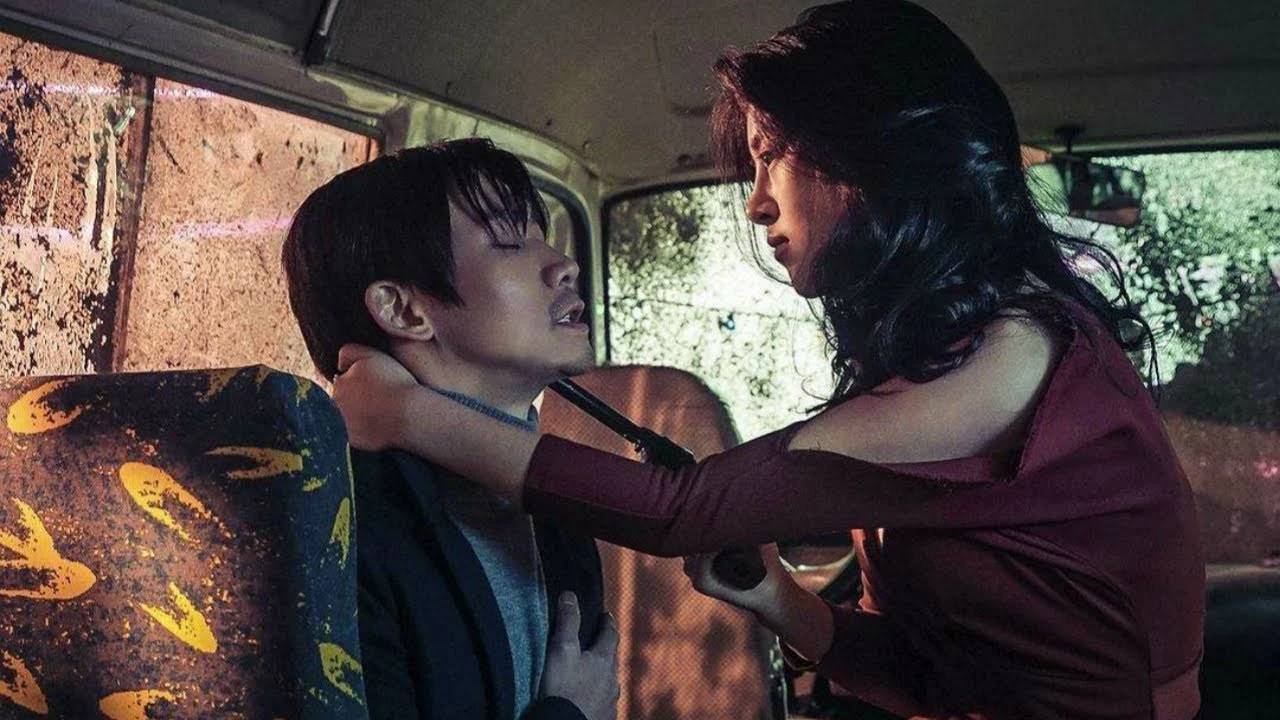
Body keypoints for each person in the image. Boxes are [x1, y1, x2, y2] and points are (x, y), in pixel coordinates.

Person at [329, 3, 1204, 719]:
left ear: (868, 153)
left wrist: (403, 412)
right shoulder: (961, 352)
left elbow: (677, 511)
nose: (755, 204)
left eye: (771, 156)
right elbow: (939, 678)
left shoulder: (1007, 356)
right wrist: (778, 599)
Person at [281, 139, 618, 720]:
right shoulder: (342, 528)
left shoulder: (560, 521)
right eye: (509, 241)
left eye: (542, 235)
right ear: (405, 311)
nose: (564, 264)